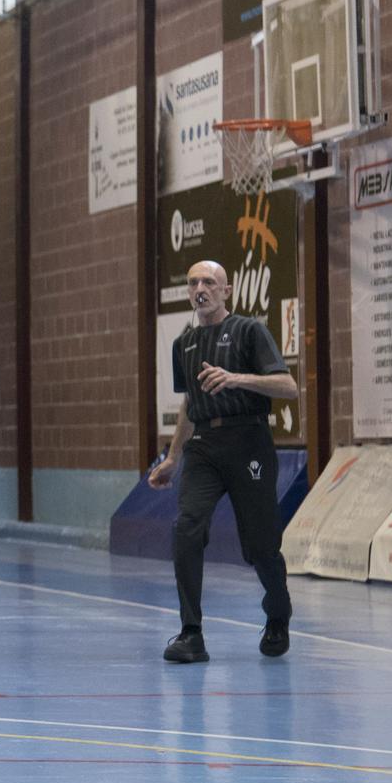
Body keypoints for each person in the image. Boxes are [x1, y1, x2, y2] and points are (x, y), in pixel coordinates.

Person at [148, 260, 299, 663]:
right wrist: (173, 456)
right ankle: (191, 634)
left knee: (261, 544)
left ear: (226, 290)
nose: (201, 288)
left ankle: (278, 614)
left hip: (248, 441)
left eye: (209, 282)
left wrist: (236, 378)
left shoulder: (250, 331)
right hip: (203, 446)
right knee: (187, 527)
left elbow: (289, 387)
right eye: (194, 282)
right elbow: (187, 404)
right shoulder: (185, 344)